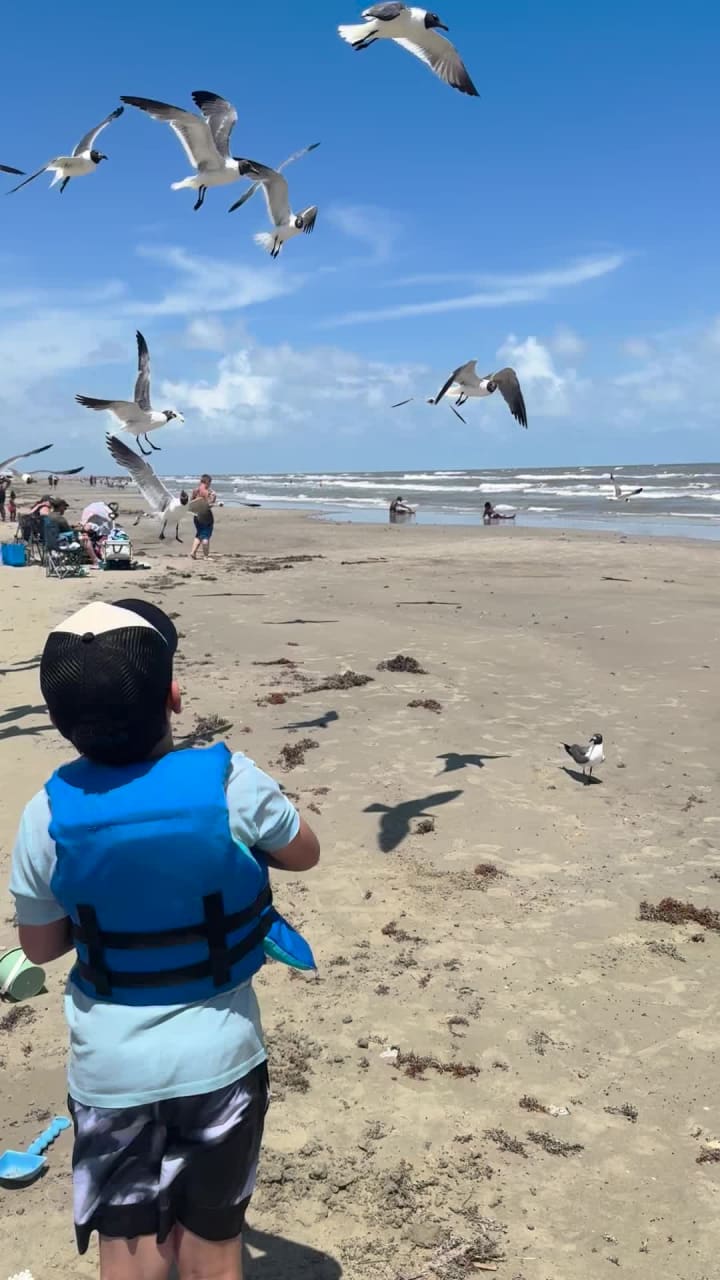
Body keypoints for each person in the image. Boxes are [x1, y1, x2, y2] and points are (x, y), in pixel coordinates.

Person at [9, 598, 320, 1279]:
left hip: (110, 1071)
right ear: (173, 696)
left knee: (129, 1248)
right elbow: (304, 853)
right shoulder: (232, 781)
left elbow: (38, 948)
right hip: (221, 1060)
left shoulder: (44, 816)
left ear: (60, 723)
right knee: (212, 1244)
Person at [190, 474, 217, 561]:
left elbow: (191, 502)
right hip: (206, 516)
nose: (210, 485)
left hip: (196, 515)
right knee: (205, 536)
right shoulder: (207, 492)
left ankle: (193, 552)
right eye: (210, 483)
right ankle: (206, 556)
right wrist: (214, 498)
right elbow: (209, 505)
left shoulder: (195, 491)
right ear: (207, 482)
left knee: (199, 534)